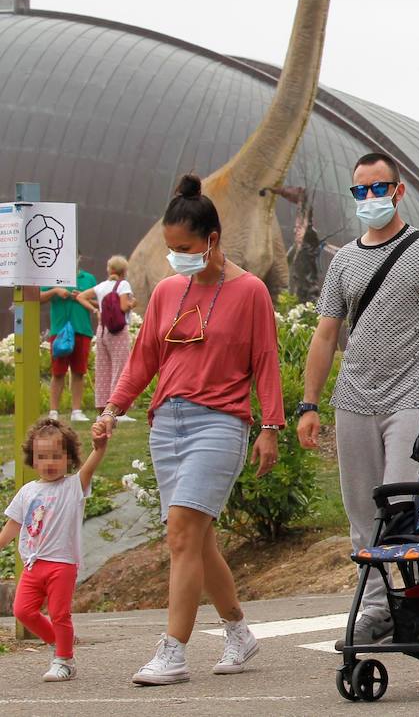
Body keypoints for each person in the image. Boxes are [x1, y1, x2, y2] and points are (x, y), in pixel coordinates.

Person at [95, 174, 283, 685]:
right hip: (167, 424)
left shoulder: (250, 292)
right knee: (197, 541)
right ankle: (239, 631)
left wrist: (270, 426)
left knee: (181, 534)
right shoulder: (167, 292)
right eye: (170, 247)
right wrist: (114, 407)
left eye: (184, 248)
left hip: (220, 424)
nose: (175, 256)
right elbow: (143, 360)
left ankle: (173, 651)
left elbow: (266, 361)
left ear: (212, 240)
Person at [297, 152, 419, 649]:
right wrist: (310, 404)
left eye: (378, 188)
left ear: (398, 190)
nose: (369, 198)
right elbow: (326, 335)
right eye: (360, 190)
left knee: (406, 506)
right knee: (361, 514)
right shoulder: (345, 259)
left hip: (411, 398)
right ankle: (376, 608)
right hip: (353, 400)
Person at [0, 419, 108, 681]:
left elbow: (90, 467)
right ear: (33, 459)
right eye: (42, 456)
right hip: (33, 564)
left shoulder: (73, 486)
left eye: (56, 456)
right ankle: (61, 642)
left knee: (60, 613)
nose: (49, 463)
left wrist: (100, 448)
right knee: (23, 611)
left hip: (62, 563)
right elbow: (13, 524)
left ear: (69, 458)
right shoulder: (27, 491)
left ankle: (64, 660)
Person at [79, 255, 138, 424]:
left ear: (109, 269)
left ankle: (101, 410)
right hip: (118, 331)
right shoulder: (123, 285)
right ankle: (118, 410)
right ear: (124, 271)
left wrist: (95, 309)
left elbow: (81, 296)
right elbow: (124, 306)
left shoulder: (102, 286)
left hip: (102, 330)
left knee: (103, 369)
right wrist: (132, 303)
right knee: (120, 368)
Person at [39, 260, 99, 422]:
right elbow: (38, 297)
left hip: (82, 329)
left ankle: (76, 411)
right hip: (59, 332)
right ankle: (53, 411)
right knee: (58, 372)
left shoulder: (89, 278)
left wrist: (81, 297)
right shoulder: (54, 277)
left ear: (79, 257)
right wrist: (56, 291)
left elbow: (99, 302)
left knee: (79, 371)